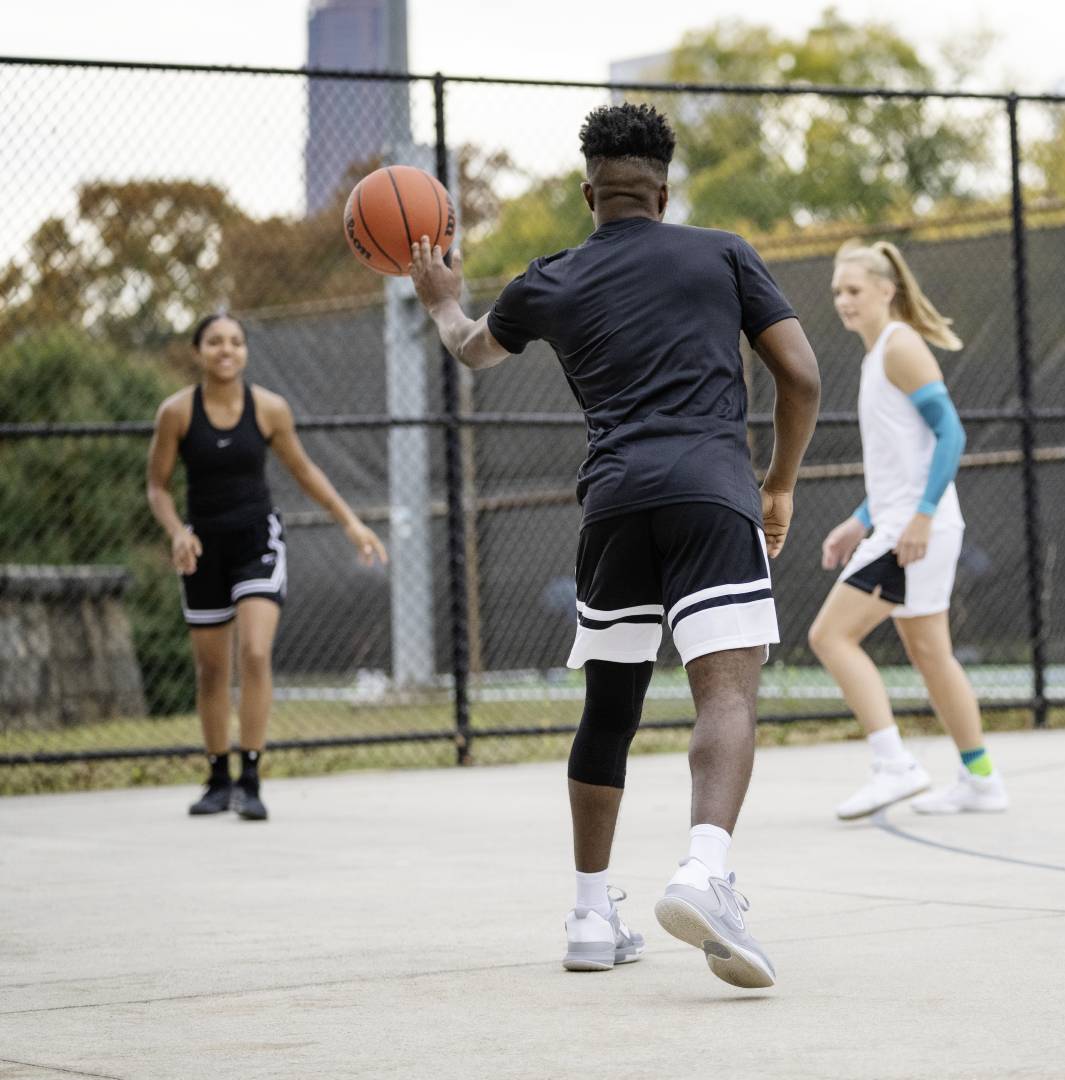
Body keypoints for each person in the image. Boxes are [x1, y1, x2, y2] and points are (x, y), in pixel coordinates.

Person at [408, 103, 820, 987]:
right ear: (663, 193)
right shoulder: (722, 251)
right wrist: (778, 482)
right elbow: (804, 375)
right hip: (712, 493)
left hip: (614, 504)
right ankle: (704, 871)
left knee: (610, 709)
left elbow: (471, 350)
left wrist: (444, 301)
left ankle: (591, 917)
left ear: (588, 191)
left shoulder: (547, 279)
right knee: (727, 693)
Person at [146, 313, 387, 822]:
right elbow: (157, 487)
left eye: (235, 341)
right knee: (212, 669)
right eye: (215, 342)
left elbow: (304, 470)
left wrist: (351, 523)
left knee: (254, 653)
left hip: (258, 542)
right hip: (202, 549)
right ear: (199, 352)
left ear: (245, 351)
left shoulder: (270, 409)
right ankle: (217, 778)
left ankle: (250, 778)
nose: (226, 350)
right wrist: (177, 533)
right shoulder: (177, 413)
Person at [811, 241, 1008, 820]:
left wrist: (919, 516)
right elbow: (905, 460)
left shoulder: (900, 347)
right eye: (838, 293)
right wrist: (860, 519)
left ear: (885, 290)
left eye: (854, 290)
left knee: (831, 636)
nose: (844, 302)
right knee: (930, 654)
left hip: (915, 530)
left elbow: (951, 435)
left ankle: (893, 764)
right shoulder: (878, 357)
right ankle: (981, 779)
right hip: (902, 522)